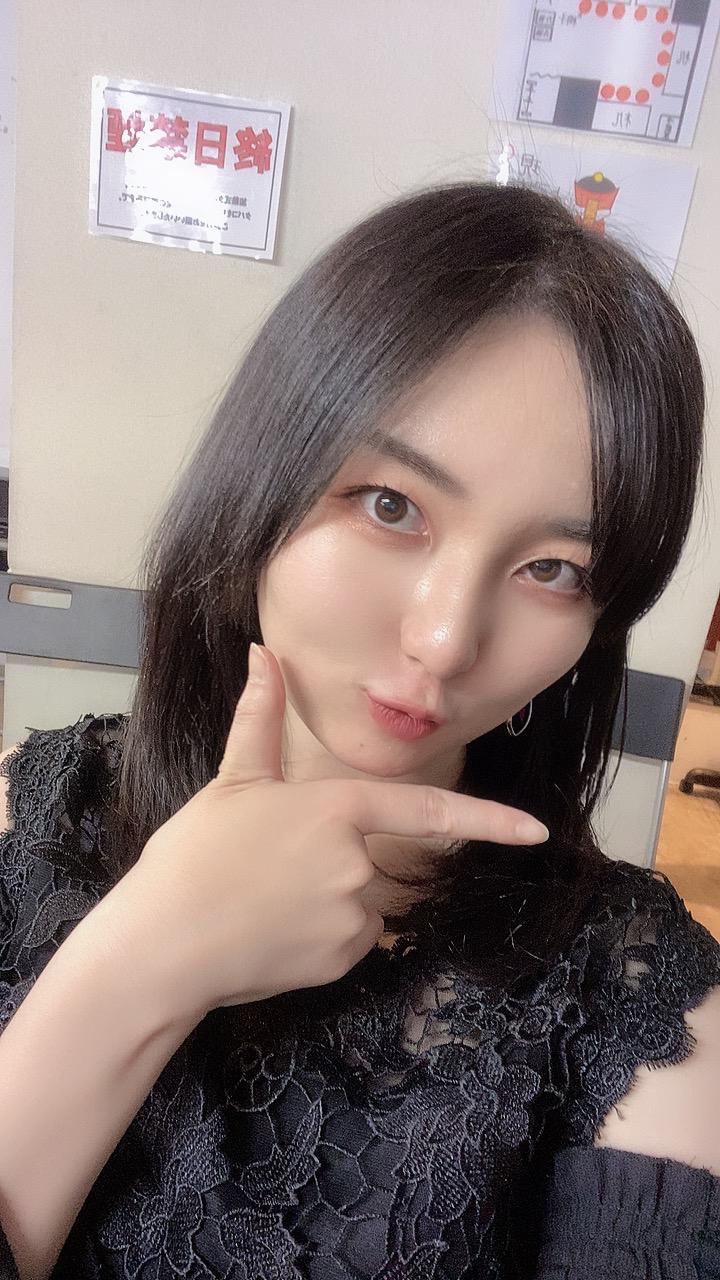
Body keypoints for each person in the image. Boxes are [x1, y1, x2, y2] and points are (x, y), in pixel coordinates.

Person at [0, 181, 717, 1280]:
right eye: (392, 506)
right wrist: (139, 962)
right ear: (261, 483)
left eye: (552, 569)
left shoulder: (640, 998)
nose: (445, 639)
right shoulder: (27, 818)